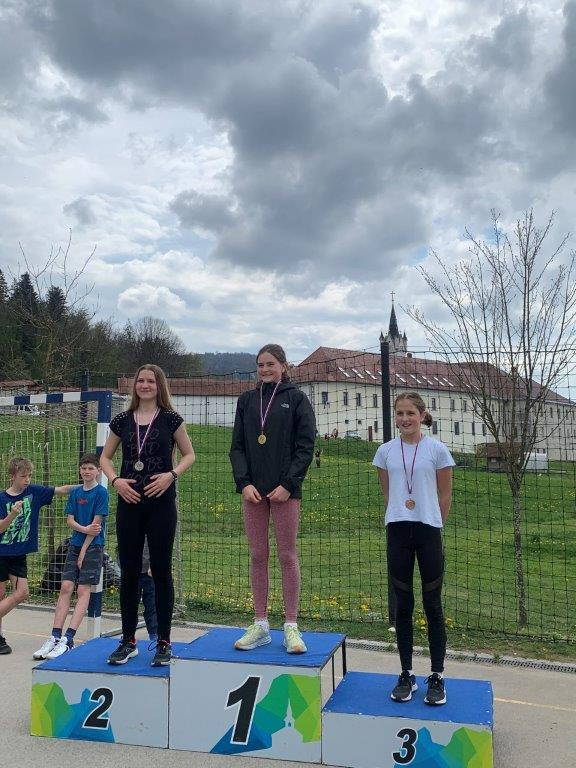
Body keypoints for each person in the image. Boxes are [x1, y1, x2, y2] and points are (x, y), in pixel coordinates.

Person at [100, 364, 195, 666]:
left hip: (161, 503)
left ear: (159, 385)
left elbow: (190, 454)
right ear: (135, 386)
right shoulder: (122, 420)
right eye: (140, 380)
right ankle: (128, 640)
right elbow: (105, 457)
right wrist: (115, 480)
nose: (145, 385)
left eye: (150, 381)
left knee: (161, 571)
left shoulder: (171, 419)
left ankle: (164, 641)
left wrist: (171, 474)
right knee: (129, 572)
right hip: (129, 502)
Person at [229, 343, 315, 654]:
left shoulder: (297, 399)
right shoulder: (247, 400)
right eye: (260, 365)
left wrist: (289, 484)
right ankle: (261, 623)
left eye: (270, 364)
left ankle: (291, 625)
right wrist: (244, 483)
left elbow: (306, 446)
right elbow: (237, 446)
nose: (265, 369)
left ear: (283, 366)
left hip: (284, 492)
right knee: (257, 554)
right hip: (253, 491)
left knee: (287, 555)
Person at [372, 392, 454, 706]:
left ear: (421, 415)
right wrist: (400, 512)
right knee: (402, 605)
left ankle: (437, 675)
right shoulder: (385, 452)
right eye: (400, 413)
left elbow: (445, 495)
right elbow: (388, 493)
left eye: (410, 413)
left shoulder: (437, 450)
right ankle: (407, 673)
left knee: (433, 604)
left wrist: (434, 522)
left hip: (428, 531)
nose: (405, 419)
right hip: (398, 531)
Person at [33, 454, 109, 659]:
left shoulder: (101, 493)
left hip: (92, 547)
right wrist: (82, 530)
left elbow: (95, 527)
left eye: (90, 468)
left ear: (98, 471)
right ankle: (55, 636)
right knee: (66, 587)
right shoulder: (76, 493)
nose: (86, 471)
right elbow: (70, 520)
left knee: (83, 589)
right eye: (83, 468)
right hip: (75, 544)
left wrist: (83, 551)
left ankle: (68, 639)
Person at [0, 457, 77, 655]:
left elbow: (61, 490)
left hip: (18, 554)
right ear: (12, 476)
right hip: (1, 553)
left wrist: (87, 484)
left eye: (29, 475)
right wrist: (12, 514)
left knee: (22, 593)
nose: (27, 479)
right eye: (23, 476)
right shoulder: (2, 499)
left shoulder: (33, 492)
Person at [139, 537, 157, 642]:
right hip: (132, 569)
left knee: (151, 603)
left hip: (149, 573)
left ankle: (154, 633)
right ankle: (128, 635)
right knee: (130, 603)